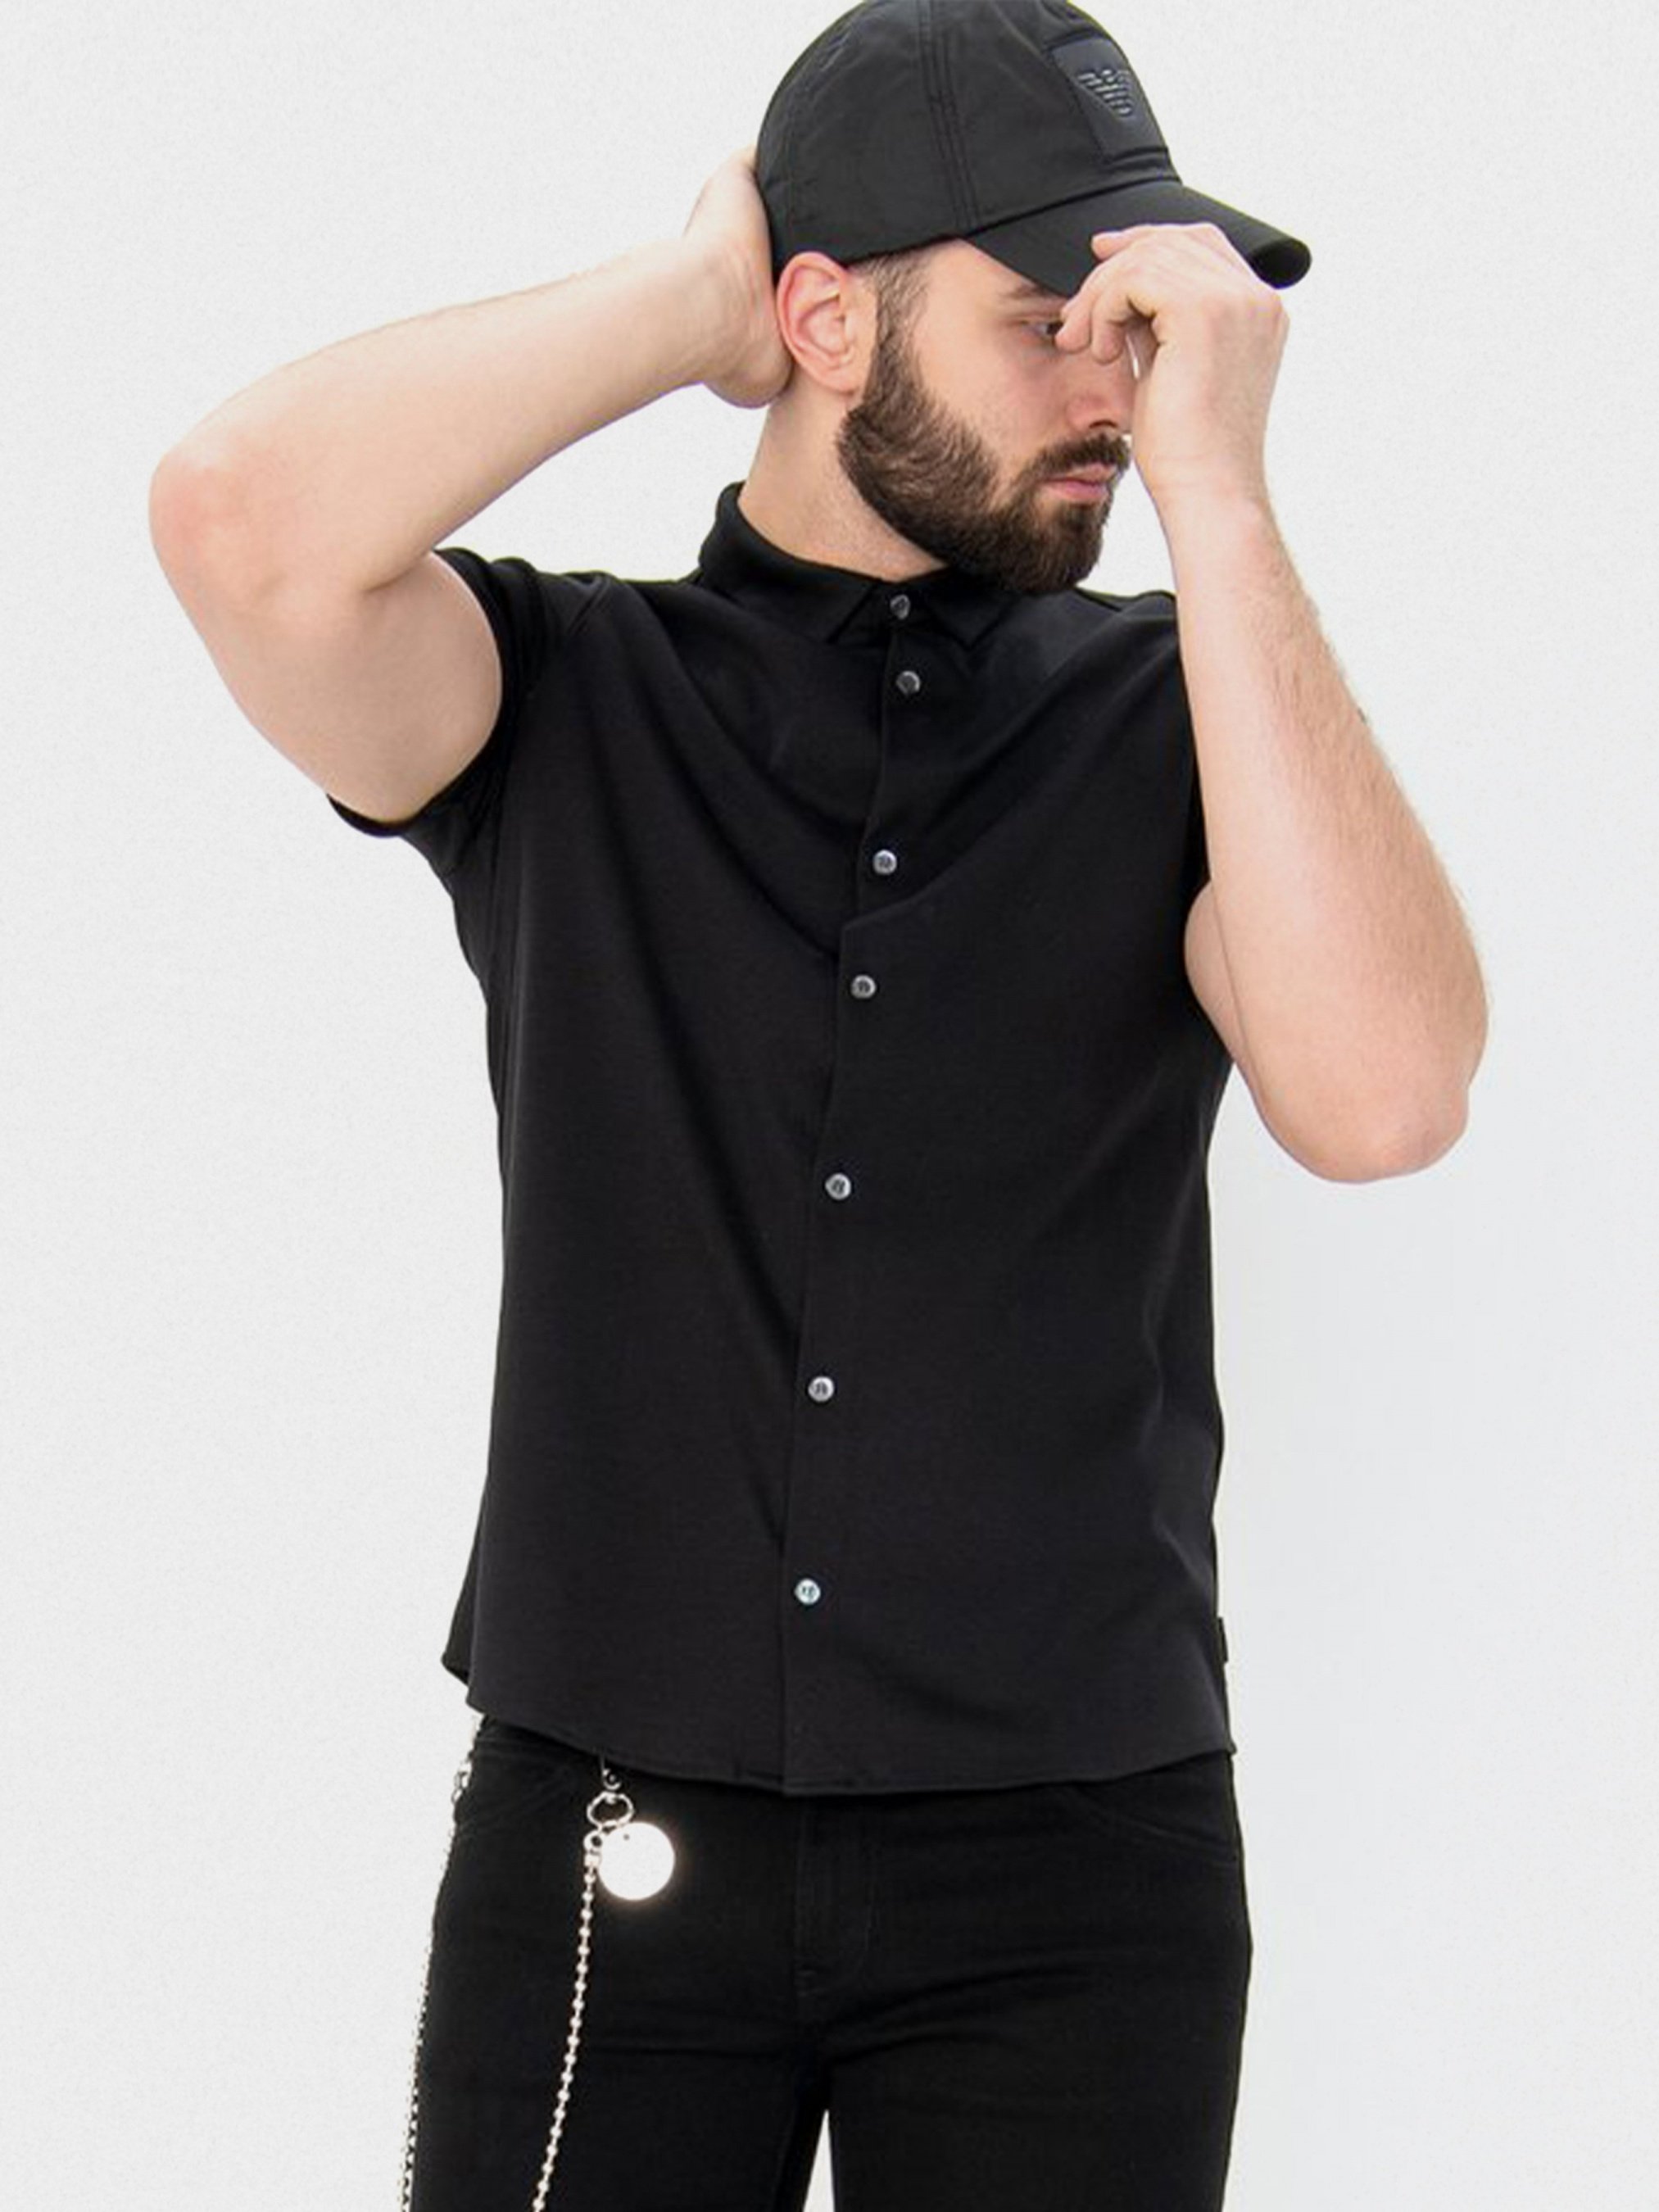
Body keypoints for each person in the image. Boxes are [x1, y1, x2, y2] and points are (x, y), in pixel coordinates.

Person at [148, 2, 1487, 2205]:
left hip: (1079, 1868)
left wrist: (1224, 499)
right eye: (1049, 320)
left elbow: (1385, 1097)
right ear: (827, 320)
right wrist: (695, 301)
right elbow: (236, 521)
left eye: (1141, 334)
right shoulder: (562, 696)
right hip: (616, 1833)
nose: (1109, 387)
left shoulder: (1183, 720)